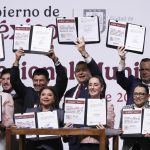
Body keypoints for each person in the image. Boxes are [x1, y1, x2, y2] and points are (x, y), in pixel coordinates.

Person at [64, 76, 121, 150]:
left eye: (95, 85)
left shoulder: (108, 105)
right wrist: (66, 128)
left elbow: (110, 130)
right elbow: (72, 127)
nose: (92, 87)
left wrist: (104, 131)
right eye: (90, 85)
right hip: (80, 145)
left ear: (102, 88)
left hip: (99, 144)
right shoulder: (79, 104)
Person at [10, 47, 68, 112]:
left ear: (48, 81)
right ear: (32, 80)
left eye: (41, 80)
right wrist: (17, 60)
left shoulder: (53, 92)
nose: (38, 83)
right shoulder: (27, 92)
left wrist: (55, 60)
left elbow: (62, 80)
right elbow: (14, 81)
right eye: (35, 80)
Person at [120, 83, 150, 150]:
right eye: (135, 94)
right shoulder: (125, 109)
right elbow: (121, 133)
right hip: (128, 147)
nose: (138, 96)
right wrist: (121, 132)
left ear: (148, 96)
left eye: (141, 94)